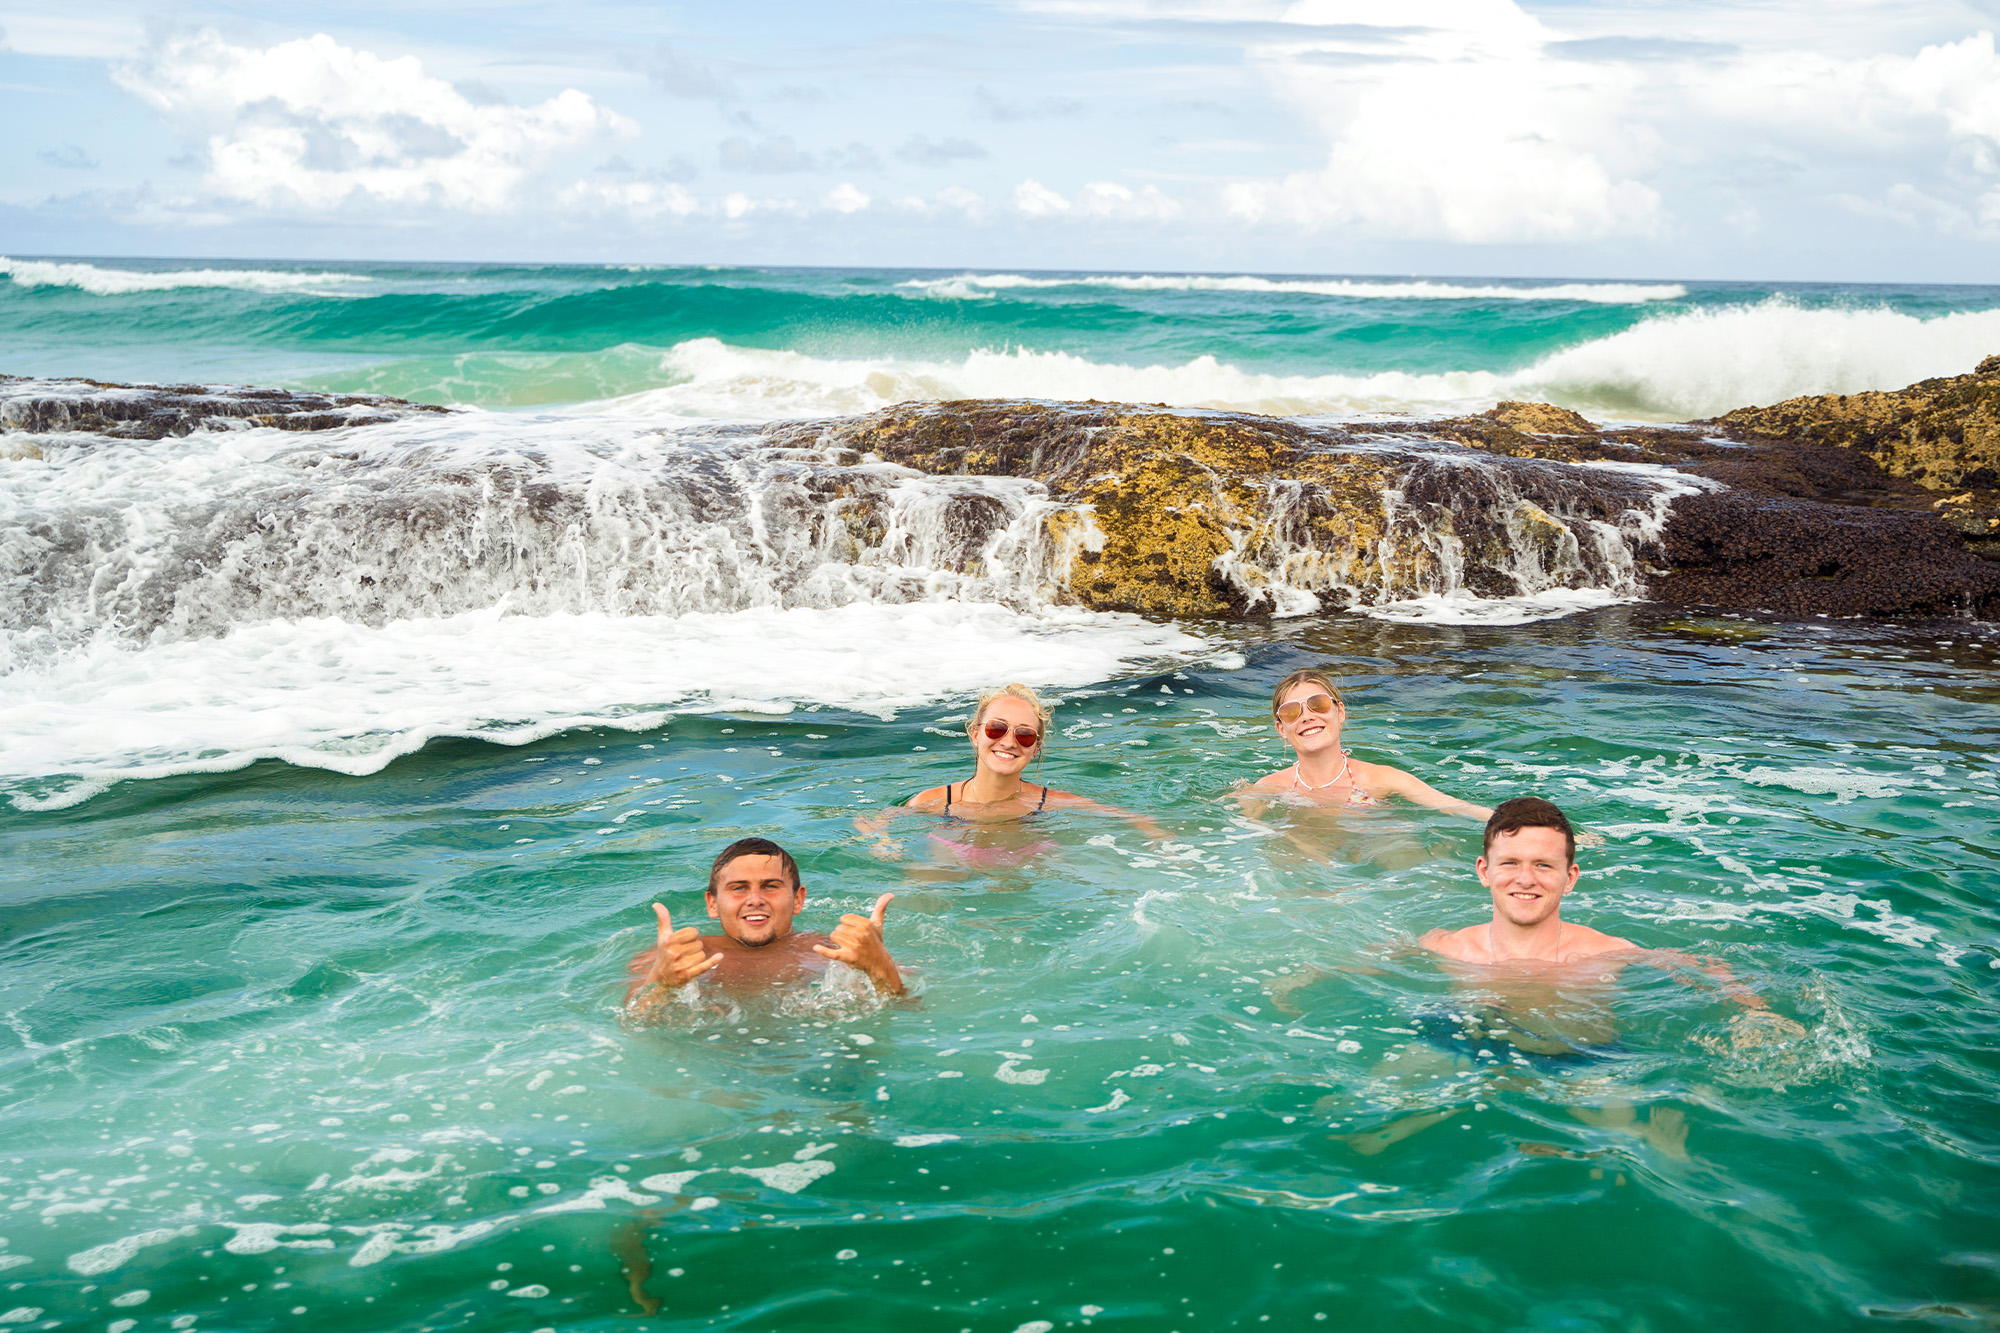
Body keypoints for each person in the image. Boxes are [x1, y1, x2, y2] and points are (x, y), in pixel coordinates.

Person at [1337, 796, 1803, 1158]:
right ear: (1484, 871)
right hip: (1464, 1037)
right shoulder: (1448, 945)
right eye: (1510, 863)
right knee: (1354, 1119)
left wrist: (1753, 1012)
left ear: (1570, 877)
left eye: (1544, 865)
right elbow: (1375, 955)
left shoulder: (1605, 952)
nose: (1526, 879)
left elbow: (1699, 965)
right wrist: (1308, 978)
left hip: (1579, 1059)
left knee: (1646, 1151)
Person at [857, 682, 1165, 864]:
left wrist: (1159, 840)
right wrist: (882, 841)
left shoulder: (1048, 802)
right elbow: (874, 821)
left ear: (1036, 748)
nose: (1008, 742)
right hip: (951, 868)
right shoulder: (937, 801)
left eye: (1025, 735)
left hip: (1026, 867)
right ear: (975, 734)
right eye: (997, 728)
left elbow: (1131, 818)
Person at [624, 837, 904, 1015]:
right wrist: (660, 983)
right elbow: (633, 1023)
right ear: (712, 903)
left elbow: (909, 1010)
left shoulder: (837, 952)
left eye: (770, 886)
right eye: (738, 888)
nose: (755, 899)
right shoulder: (674, 959)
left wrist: (881, 969)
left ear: (798, 899)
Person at [1243, 668, 1492, 817]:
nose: (1307, 716)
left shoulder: (1382, 780)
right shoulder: (1269, 789)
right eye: (1291, 712)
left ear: (1340, 712)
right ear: (1281, 729)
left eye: (1318, 704)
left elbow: (1459, 808)